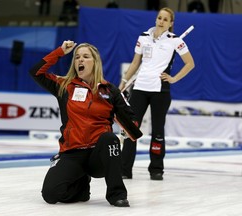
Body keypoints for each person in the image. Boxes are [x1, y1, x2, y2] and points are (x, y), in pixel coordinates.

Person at [29, 40, 141, 207]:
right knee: (51, 194)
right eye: (77, 57)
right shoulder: (64, 86)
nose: (80, 60)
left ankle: (117, 194)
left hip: (99, 155)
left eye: (85, 57)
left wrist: (127, 124)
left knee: (110, 139)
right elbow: (35, 72)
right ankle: (81, 186)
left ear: (95, 62)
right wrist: (60, 52)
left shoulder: (110, 90)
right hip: (73, 152)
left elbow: (133, 123)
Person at [119, 7, 195, 181]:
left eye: (165, 19)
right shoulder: (143, 37)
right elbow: (135, 63)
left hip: (160, 90)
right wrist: (123, 83)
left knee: (158, 131)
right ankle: (125, 169)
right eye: (159, 18)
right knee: (131, 128)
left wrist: (174, 78)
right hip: (139, 88)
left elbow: (190, 63)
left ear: (171, 24)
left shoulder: (175, 41)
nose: (161, 21)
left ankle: (156, 169)